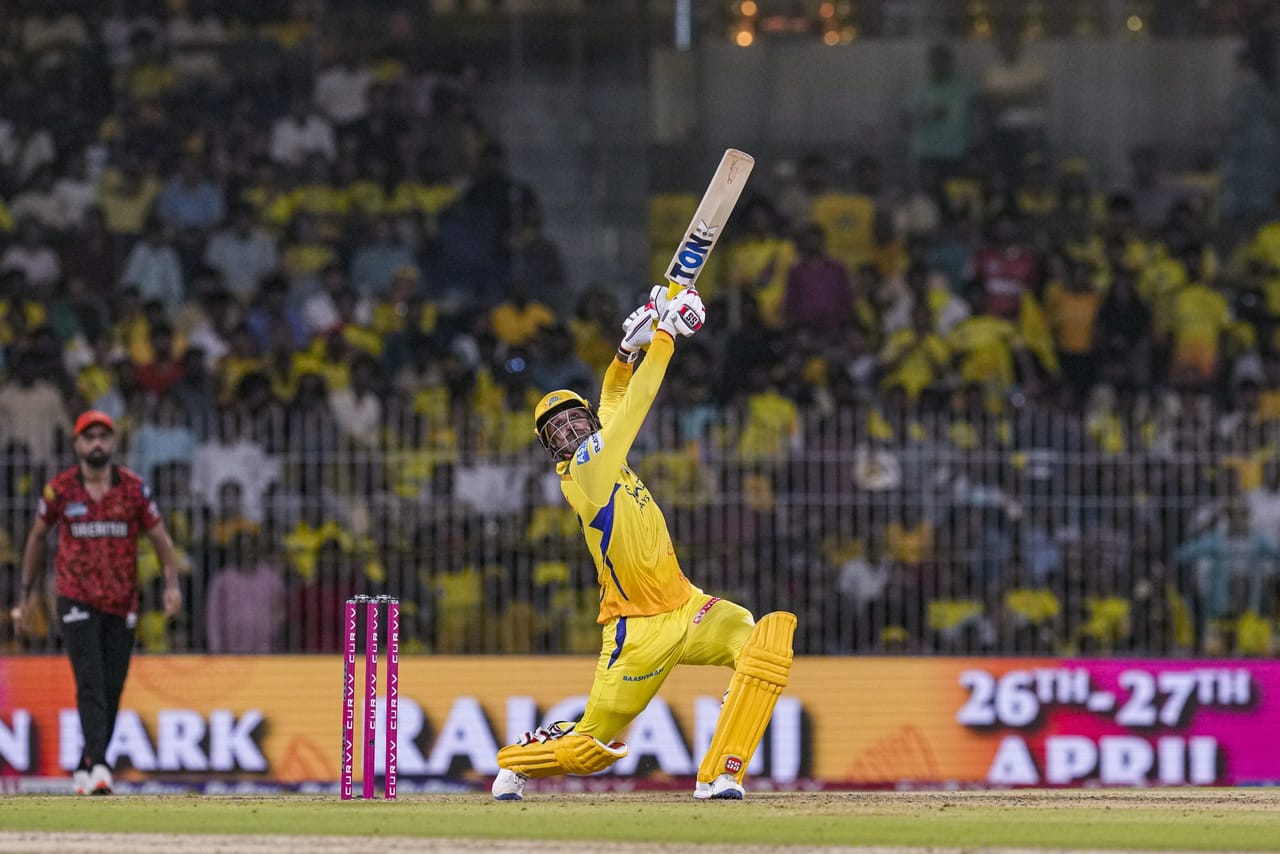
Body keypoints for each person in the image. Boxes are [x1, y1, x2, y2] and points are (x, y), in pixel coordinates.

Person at [490, 286, 797, 802]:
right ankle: (517, 763)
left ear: (589, 420)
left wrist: (623, 353)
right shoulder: (586, 472)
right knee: (589, 745)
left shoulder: (605, 450)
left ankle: (720, 774)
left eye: (573, 418)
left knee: (764, 646)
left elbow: (615, 398)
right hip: (636, 630)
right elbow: (635, 404)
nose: (568, 429)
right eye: (555, 430)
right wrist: (664, 336)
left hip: (688, 606)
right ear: (550, 449)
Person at [7, 410, 183, 795]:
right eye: (90, 437)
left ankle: (87, 764)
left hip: (122, 601)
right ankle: (101, 767)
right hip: (76, 597)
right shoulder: (60, 489)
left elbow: (160, 538)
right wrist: (25, 594)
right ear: (77, 444)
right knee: (90, 679)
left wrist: (171, 584)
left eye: (104, 436)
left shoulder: (133, 488)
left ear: (113, 442)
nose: (97, 443)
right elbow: (37, 537)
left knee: (112, 685)